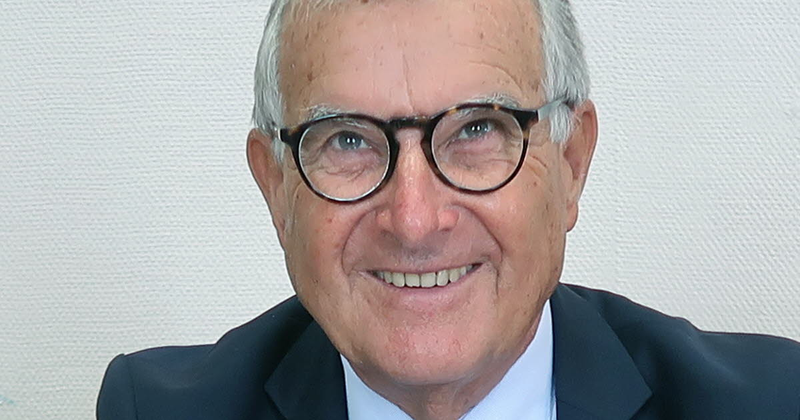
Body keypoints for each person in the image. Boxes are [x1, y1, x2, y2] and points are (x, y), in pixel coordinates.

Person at [96, 0, 800, 418]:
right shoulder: (154, 411)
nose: (414, 220)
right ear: (276, 188)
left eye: (476, 130)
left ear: (571, 163)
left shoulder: (774, 404)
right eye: (348, 140)